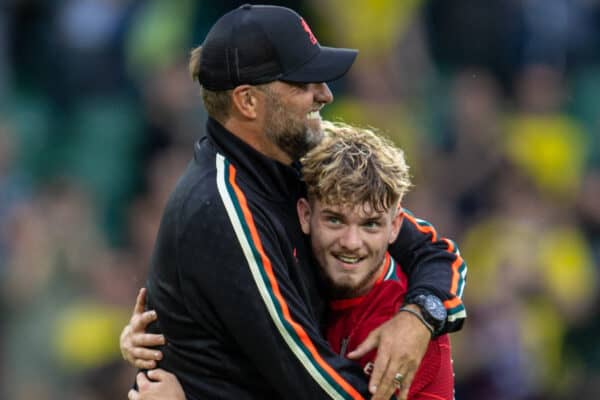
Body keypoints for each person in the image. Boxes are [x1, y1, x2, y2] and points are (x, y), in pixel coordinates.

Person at [122, 4, 466, 400]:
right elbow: (315, 386)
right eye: (303, 83)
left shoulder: (300, 156)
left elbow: (436, 253)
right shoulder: (223, 209)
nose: (325, 93)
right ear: (248, 102)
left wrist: (419, 317)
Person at [125, 122, 456, 400]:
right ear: (304, 215)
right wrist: (159, 338)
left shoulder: (406, 334)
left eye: (370, 224)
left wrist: (421, 315)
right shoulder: (297, 280)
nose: (352, 243)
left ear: (395, 226)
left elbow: (439, 252)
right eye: (335, 221)